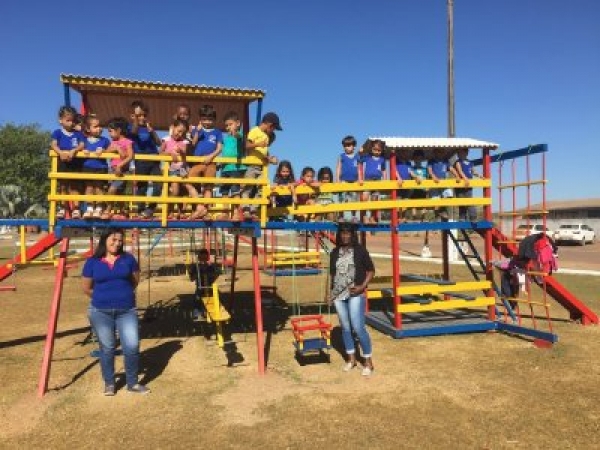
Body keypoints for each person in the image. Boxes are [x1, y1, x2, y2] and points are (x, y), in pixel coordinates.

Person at [82, 228, 149, 395]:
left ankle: (132, 383)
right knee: (107, 348)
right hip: (100, 311)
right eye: (113, 239)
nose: (117, 243)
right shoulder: (92, 262)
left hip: (126, 310)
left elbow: (134, 281)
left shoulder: (128, 259)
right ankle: (110, 384)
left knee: (132, 346)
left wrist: (122, 295)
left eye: (120, 241)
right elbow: (86, 288)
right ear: (104, 239)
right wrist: (104, 297)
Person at [329, 222, 375, 376]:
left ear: (352, 235)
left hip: (355, 294)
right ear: (339, 235)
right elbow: (332, 274)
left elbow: (371, 270)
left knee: (358, 327)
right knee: (345, 327)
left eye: (348, 233)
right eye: (342, 233)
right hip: (338, 296)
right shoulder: (334, 252)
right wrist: (329, 293)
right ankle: (351, 359)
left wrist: (362, 286)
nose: (345, 236)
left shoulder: (360, 250)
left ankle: (368, 360)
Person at [241, 112, 281, 219]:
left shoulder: (267, 137)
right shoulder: (255, 131)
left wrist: (270, 159)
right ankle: (245, 210)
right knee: (247, 188)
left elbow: (262, 153)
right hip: (251, 165)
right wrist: (258, 144)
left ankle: (253, 210)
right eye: (273, 128)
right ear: (269, 124)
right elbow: (246, 145)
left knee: (262, 189)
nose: (273, 131)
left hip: (261, 167)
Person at [127, 100, 162, 218]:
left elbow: (158, 143)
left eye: (144, 115)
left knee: (159, 185)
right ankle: (140, 210)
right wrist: (136, 121)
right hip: (141, 161)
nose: (142, 118)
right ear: (132, 116)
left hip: (154, 160)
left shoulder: (149, 128)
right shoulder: (131, 127)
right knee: (142, 186)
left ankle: (150, 209)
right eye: (139, 115)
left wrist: (152, 131)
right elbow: (133, 132)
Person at [188, 105, 223, 219]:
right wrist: (197, 132)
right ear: (200, 119)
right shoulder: (196, 129)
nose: (207, 122)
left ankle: (205, 211)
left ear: (214, 119)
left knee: (208, 187)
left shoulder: (217, 132)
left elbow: (219, 148)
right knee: (188, 182)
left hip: (211, 163)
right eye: (204, 119)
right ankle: (199, 208)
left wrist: (211, 156)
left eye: (210, 119)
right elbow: (193, 143)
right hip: (197, 162)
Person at [51, 105, 85, 219]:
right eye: (68, 120)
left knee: (74, 186)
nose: (71, 123)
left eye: (72, 120)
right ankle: (63, 208)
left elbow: (82, 144)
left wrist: (74, 151)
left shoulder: (77, 133)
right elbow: (53, 144)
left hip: (75, 162)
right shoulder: (58, 132)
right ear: (61, 120)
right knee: (63, 186)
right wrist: (60, 152)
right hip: (63, 162)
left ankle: (76, 208)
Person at [160, 118, 193, 219]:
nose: (179, 134)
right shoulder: (166, 140)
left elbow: (185, 153)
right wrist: (170, 153)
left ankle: (180, 211)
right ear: (172, 128)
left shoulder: (185, 142)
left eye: (182, 133)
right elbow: (160, 153)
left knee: (184, 192)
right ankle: (168, 210)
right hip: (173, 169)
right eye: (178, 131)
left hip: (183, 169)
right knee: (175, 191)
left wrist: (181, 152)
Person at [103, 117, 134, 219]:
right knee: (118, 191)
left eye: (111, 131)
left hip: (122, 170)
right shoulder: (113, 142)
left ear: (119, 130)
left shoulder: (127, 142)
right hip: (112, 170)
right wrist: (116, 148)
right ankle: (120, 211)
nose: (109, 134)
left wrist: (120, 165)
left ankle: (109, 209)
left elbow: (130, 156)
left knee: (113, 190)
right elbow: (106, 152)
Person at [81, 114, 111, 219]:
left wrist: (104, 151)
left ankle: (98, 208)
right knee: (89, 187)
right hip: (87, 166)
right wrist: (82, 150)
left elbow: (111, 150)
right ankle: (89, 208)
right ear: (88, 129)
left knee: (99, 187)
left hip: (101, 167)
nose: (99, 128)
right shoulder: (84, 140)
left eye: (100, 126)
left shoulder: (105, 140)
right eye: (96, 126)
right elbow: (79, 148)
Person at [219, 111, 246, 220]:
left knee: (235, 191)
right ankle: (225, 212)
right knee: (224, 191)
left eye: (230, 124)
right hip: (225, 168)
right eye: (226, 125)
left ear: (238, 123)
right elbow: (224, 152)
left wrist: (236, 132)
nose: (228, 127)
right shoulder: (225, 138)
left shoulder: (240, 135)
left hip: (236, 168)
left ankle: (236, 212)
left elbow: (239, 137)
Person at [427, 147, 460, 221]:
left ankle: (443, 211)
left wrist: (457, 175)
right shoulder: (431, 161)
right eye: (438, 152)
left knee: (449, 194)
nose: (440, 154)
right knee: (435, 201)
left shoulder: (446, 161)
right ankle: (437, 216)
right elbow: (429, 170)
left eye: (441, 152)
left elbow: (451, 169)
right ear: (435, 153)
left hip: (443, 182)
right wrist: (433, 177)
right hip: (434, 183)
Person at [188, 248, 220, 319]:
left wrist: (215, 272)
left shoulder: (211, 267)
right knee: (197, 299)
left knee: (215, 297)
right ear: (199, 258)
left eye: (205, 258)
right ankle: (197, 311)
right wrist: (193, 273)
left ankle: (208, 311)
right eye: (202, 258)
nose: (203, 260)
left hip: (209, 287)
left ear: (207, 258)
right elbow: (191, 279)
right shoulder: (196, 267)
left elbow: (215, 277)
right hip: (200, 287)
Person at [360, 139, 387, 224]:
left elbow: (383, 170)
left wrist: (385, 180)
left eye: (379, 150)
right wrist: (360, 152)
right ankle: (364, 216)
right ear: (371, 149)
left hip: (377, 181)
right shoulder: (368, 157)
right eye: (375, 149)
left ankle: (372, 217)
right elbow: (360, 159)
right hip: (367, 180)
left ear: (381, 150)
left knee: (374, 200)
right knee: (364, 198)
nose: (377, 151)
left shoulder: (382, 159)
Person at [335, 135, 360, 222]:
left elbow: (359, 168)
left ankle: (354, 216)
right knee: (342, 199)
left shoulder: (357, 156)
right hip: (344, 181)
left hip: (354, 181)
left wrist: (360, 179)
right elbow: (338, 168)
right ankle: (341, 216)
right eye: (345, 146)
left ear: (354, 146)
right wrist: (337, 179)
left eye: (349, 145)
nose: (347, 148)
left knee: (354, 199)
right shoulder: (342, 156)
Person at [453, 147, 480, 222]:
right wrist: (465, 178)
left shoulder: (470, 162)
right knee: (461, 201)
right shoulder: (458, 162)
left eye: (460, 152)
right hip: (461, 184)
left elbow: (474, 171)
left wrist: (479, 175)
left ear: (466, 153)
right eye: (458, 153)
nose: (459, 154)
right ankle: (462, 217)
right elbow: (460, 171)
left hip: (468, 184)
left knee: (469, 200)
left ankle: (473, 217)